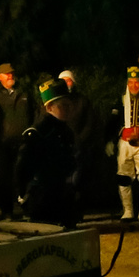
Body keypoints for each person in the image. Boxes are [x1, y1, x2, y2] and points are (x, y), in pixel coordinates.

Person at [13, 79, 80, 229]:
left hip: (63, 195)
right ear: (49, 107)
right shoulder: (37, 133)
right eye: (63, 105)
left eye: (69, 104)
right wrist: (22, 194)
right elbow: (22, 167)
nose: (69, 109)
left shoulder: (66, 131)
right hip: (42, 198)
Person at [108, 66, 139, 222]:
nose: (134, 86)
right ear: (127, 84)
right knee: (123, 177)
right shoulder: (121, 99)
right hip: (125, 143)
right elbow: (112, 122)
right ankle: (128, 211)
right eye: (131, 83)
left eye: (136, 82)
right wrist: (110, 139)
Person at [0, 62, 37, 220]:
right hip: (4, 144)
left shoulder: (25, 93)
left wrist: (32, 131)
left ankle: (27, 209)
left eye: (11, 72)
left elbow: (35, 113)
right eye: (6, 73)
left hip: (24, 141)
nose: (10, 75)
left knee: (25, 175)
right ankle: (7, 212)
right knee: (5, 177)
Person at [56, 70, 101, 210]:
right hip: (60, 146)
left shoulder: (82, 101)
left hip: (78, 147)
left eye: (68, 80)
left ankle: (77, 209)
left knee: (77, 179)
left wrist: (80, 139)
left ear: (73, 82)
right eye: (63, 81)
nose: (66, 83)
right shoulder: (56, 102)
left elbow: (90, 122)